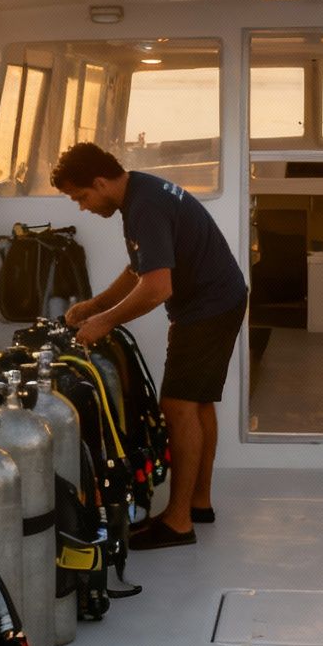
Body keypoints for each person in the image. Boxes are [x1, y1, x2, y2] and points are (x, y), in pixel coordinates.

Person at [54, 142, 248, 550]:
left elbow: (157, 287)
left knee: (177, 407)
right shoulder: (141, 193)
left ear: (101, 181)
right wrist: (97, 304)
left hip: (207, 307)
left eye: (82, 196)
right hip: (221, 297)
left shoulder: (144, 206)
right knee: (197, 403)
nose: (83, 207)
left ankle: (178, 523)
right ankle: (199, 504)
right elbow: (140, 266)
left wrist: (103, 323)